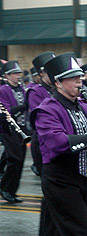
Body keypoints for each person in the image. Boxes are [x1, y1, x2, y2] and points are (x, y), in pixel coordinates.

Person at [32, 53, 87, 235]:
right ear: (57, 83)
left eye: (79, 77)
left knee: (53, 230)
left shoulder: (85, 107)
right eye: (72, 78)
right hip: (60, 180)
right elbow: (58, 143)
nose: (79, 82)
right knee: (81, 231)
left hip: (84, 179)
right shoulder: (46, 110)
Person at [0, 61, 28, 203]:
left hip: (21, 128)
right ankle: (5, 188)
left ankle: (12, 190)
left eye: (19, 73)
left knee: (20, 160)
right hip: (9, 129)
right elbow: (6, 111)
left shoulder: (21, 88)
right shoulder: (3, 90)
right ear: (7, 76)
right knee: (15, 160)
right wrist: (23, 106)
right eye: (15, 74)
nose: (18, 76)